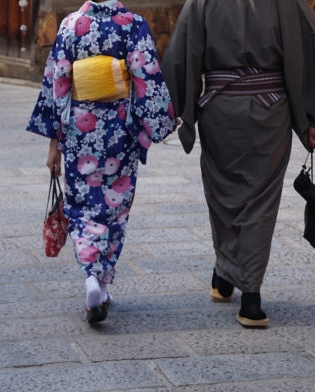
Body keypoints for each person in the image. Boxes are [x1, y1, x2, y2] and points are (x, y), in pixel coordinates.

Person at [162, 0, 315, 327]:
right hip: (270, 110)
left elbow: (182, 54)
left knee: (224, 196)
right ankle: (247, 296)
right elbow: (307, 44)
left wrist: (171, 108)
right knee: (260, 201)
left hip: (220, 108)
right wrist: (310, 117)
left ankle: (232, 281)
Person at [27, 0, 176, 323]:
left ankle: (91, 277)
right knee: (115, 205)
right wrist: (155, 125)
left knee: (81, 207)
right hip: (120, 130)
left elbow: (58, 84)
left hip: (80, 131)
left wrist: (55, 144)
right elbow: (145, 78)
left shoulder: (70, 25)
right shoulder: (132, 24)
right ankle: (104, 282)